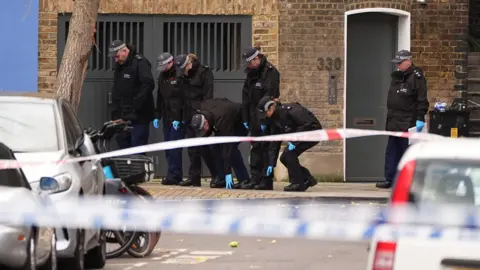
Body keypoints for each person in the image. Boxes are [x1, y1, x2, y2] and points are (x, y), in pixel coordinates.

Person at [377, 50, 429, 189]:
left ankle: (409, 182)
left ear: (408, 61)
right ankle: (390, 179)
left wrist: (420, 117)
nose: (398, 66)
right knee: (391, 152)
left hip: (408, 122)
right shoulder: (397, 77)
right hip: (394, 121)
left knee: (407, 153)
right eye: (397, 63)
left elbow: (422, 99)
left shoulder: (416, 77)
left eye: (400, 63)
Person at [257, 96, 321, 192]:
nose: (265, 116)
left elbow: (308, 124)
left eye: (266, 113)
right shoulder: (275, 119)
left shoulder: (290, 110)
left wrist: (295, 141)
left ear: (271, 108)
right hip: (301, 136)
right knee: (284, 157)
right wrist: (271, 163)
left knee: (289, 154)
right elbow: (275, 142)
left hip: (312, 133)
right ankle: (306, 178)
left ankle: (297, 183)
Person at [174, 53, 219, 186]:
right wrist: (179, 117)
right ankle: (194, 178)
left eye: (184, 69)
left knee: (205, 149)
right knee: (192, 149)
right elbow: (181, 98)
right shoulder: (182, 75)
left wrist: (204, 114)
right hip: (189, 116)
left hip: (201, 115)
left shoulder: (204, 72)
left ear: (189, 64)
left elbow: (208, 95)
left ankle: (216, 175)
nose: (183, 72)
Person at [240, 46, 280, 190]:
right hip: (252, 116)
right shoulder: (252, 73)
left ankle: (266, 180)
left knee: (265, 148)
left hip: (265, 117)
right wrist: (245, 118)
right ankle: (255, 177)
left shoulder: (270, 72)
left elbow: (268, 99)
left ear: (257, 58)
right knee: (255, 148)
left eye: (250, 63)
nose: (249, 66)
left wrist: (263, 119)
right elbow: (245, 97)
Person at [190, 98, 250, 189]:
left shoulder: (222, 119)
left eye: (203, 130)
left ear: (206, 122)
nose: (203, 132)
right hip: (224, 119)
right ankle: (221, 178)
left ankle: (244, 179)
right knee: (214, 148)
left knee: (231, 150)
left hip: (240, 122)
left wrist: (228, 173)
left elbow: (227, 146)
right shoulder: (201, 110)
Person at [108, 40, 155, 151]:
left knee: (137, 149)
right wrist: (116, 114)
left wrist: (134, 106)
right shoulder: (120, 66)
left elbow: (148, 85)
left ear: (124, 51)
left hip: (139, 117)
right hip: (122, 118)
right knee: (123, 149)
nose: (115, 59)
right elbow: (117, 90)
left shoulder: (140, 62)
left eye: (117, 56)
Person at [153, 52, 185, 185]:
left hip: (178, 117)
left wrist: (180, 117)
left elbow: (184, 98)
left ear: (170, 62)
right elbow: (160, 97)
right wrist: (157, 115)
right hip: (167, 116)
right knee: (168, 147)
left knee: (174, 148)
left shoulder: (179, 75)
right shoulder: (162, 76)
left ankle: (174, 175)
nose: (162, 69)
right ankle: (173, 173)